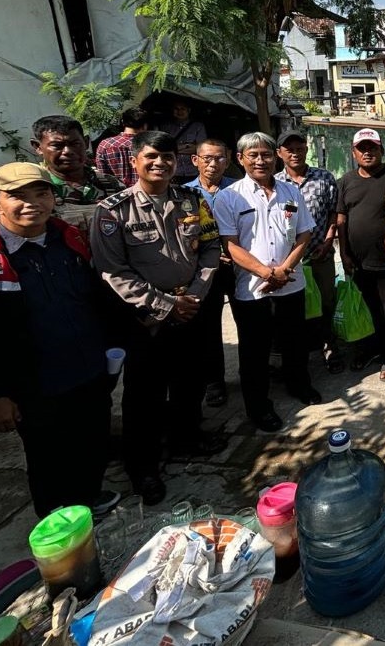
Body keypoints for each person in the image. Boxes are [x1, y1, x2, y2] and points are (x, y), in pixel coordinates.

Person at [0, 163, 119, 517]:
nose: (31, 203)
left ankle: (89, 497)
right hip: (34, 386)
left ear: (53, 198)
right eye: (17, 196)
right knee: (47, 456)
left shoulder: (74, 240)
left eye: (41, 193)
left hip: (89, 371)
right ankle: (58, 525)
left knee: (93, 441)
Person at [91, 131, 226, 505]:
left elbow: (211, 247)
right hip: (144, 320)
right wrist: (166, 305)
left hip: (190, 311)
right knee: (144, 395)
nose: (160, 163)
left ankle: (188, 437)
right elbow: (112, 271)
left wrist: (195, 295)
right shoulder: (113, 211)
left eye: (167, 157)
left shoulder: (191, 200)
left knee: (190, 381)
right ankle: (144, 467)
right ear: (135, 161)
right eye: (151, 156)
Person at [214, 132, 320, 432]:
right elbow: (230, 245)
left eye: (266, 154)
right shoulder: (229, 196)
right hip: (252, 288)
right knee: (254, 350)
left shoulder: (290, 192)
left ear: (276, 157)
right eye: (254, 155)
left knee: (295, 341)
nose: (261, 160)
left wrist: (284, 269)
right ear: (241, 159)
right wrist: (265, 272)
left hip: (292, 280)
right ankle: (259, 407)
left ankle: (299, 385)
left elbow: (305, 233)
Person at [336, 128, 385, 379]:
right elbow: (341, 218)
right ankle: (367, 351)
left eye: (372, 147)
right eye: (362, 148)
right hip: (357, 261)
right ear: (354, 152)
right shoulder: (345, 181)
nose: (367, 152)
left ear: (381, 150)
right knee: (364, 309)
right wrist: (344, 253)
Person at [276, 131, 344, 374]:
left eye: (299, 147)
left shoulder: (324, 178)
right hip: (288, 259)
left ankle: (329, 346)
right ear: (280, 153)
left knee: (326, 302)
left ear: (306, 149)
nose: (295, 152)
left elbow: (333, 214)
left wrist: (328, 242)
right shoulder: (275, 183)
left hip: (319, 254)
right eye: (289, 148)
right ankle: (298, 353)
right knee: (294, 307)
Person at [185, 138, 237, 406]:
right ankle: (215, 381)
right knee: (209, 328)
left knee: (251, 321)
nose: (213, 163)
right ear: (196, 160)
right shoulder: (184, 194)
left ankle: (255, 370)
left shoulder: (239, 190)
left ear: (228, 161)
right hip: (205, 272)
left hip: (239, 268)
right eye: (207, 158)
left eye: (219, 158)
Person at [30, 115, 124, 233]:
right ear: (38, 147)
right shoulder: (34, 191)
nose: (68, 152)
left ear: (86, 142)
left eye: (75, 144)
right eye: (57, 146)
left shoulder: (111, 184)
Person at [96, 107, 150, 187]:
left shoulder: (104, 145)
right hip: (145, 193)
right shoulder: (150, 145)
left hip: (118, 195)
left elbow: (104, 176)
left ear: (123, 122)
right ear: (145, 125)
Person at [158, 98, 206, 182]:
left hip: (193, 171)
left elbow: (201, 149)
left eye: (182, 109)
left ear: (188, 110)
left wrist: (174, 149)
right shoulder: (165, 127)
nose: (179, 111)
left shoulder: (198, 127)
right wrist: (188, 146)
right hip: (174, 172)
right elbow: (164, 148)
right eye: (176, 109)